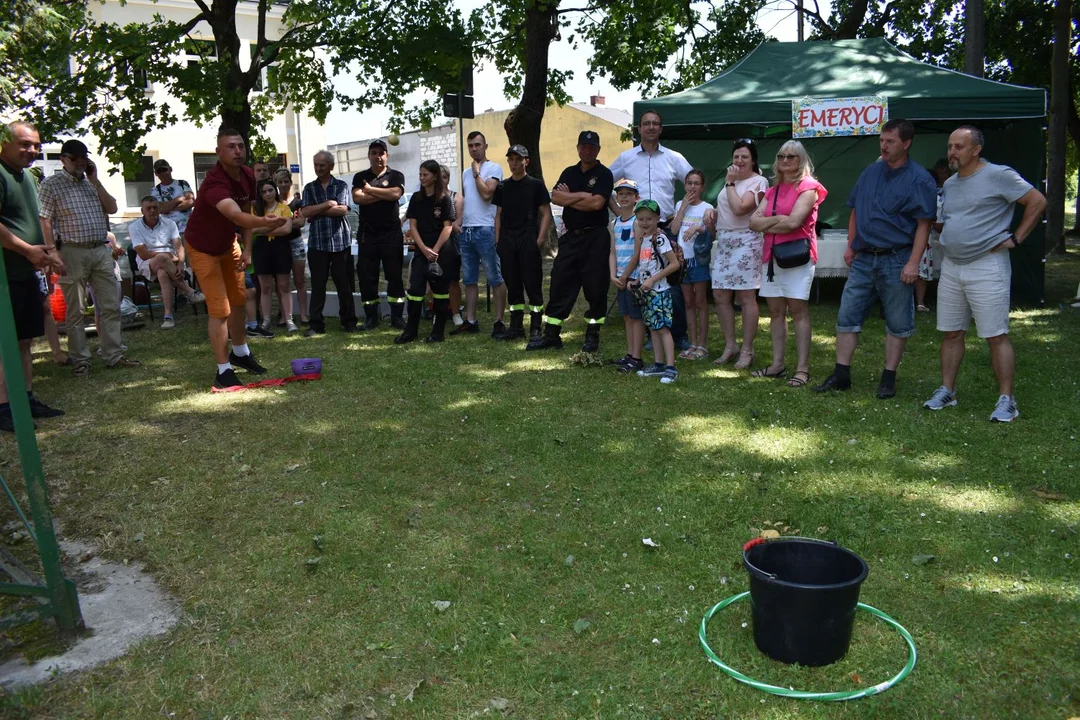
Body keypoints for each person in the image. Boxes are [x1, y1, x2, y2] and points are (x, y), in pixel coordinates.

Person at [922, 125, 1046, 422]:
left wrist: (1016, 238)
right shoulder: (950, 184)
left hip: (987, 265)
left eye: (959, 147)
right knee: (951, 332)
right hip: (952, 266)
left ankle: (1007, 400)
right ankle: (948, 391)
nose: (952, 152)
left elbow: (1037, 201)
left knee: (995, 335)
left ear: (976, 150)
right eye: (950, 146)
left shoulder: (999, 175)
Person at [814, 119, 937, 399]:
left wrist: (913, 263)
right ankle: (841, 375)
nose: (884, 146)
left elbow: (924, 224)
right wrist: (851, 245)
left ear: (906, 143)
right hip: (863, 258)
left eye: (890, 141)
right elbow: (855, 210)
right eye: (882, 140)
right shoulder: (870, 172)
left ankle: (888, 378)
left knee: (897, 321)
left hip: (897, 258)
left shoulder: (919, 179)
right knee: (847, 315)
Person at [183, 127, 285, 389]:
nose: (238, 151)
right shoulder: (214, 183)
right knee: (220, 309)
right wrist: (264, 222)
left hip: (229, 244)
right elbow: (236, 215)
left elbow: (245, 210)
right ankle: (223, 371)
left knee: (239, 300)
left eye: (240, 145)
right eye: (231, 146)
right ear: (218, 152)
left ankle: (240, 353)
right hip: (202, 248)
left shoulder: (248, 174)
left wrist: (247, 249)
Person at [38, 138, 139, 377]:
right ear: (63, 159)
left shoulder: (91, 184)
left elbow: (112, 208)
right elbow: (45, 218)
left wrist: (95, 180)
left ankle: (113, 354)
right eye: (75, 158)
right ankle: (81, 359)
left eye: (84, 158)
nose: (80, 163)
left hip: (100, 250)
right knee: (76, 310)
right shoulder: (51, 184)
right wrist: (52, 251)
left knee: (110, 305)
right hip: (71, 251)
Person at [0, 121, 66, 431]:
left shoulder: (27, 176)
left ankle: (25, 399)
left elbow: (36, 219)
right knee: (5, 341)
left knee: (25, 339)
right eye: (25, 144)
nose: (33, 150)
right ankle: (3, 407)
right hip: (5, 275)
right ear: (5, 143)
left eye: (36, 145)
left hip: (27, 271)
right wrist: (28, 250)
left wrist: (47, 254)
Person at [609, 110, 694, 351]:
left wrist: (683, 211)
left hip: (665, 228)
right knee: (644, 280)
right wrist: (620, 212)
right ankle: (651, 332)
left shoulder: (674, 157)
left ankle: (679, 334)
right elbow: (606, 181)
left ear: (661, 128)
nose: (651, 127)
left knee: (672, 283)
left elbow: (693, 181)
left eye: (655, 123)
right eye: (646, 123)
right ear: (639, 128)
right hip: (639, 229)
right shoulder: (626, 158)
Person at [748, 140, 828, 389]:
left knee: (798, 311)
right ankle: (777, 364)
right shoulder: (773, 190)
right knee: (775, 312)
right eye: (781, 156)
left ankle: (802, 369)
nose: (785, 161)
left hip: (796, 258)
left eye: (791, 157)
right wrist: (781, 219)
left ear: (801, 160)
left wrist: (771, 222)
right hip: (771, 258)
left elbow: (794, 223)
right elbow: (753, 223)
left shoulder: (809, 187)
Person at [527, 130, 614, 352]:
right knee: (560, 282)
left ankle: (592, 334)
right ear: (578, 148)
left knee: (596, 286)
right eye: (584, 146)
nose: (587, 150)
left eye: (592, 147)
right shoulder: (569, 172)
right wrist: (584, 195)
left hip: (595, 237)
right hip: (571, 237)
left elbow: (597, 204)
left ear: (598, 150)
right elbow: (555, 197)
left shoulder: (604, 174)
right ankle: (551, 334)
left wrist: (570, 198)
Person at [709, 139, 769, 370]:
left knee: (745, 297)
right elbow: (726, 207)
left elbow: (740, 208)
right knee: (720, 294)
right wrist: (712, 213)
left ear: (753, 160)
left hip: (747, 240)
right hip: (725, 241)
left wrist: (730, 183)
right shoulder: (731, 182)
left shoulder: (758, 181)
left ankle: (747, 350)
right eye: (736, 156)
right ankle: (730, 345)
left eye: (744, 156)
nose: (739, 160)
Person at [492, 145, 551, 341]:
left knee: (532, 283)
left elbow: (546, 214)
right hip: (507, 238)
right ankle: (516, 327)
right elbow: (498, 215)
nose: (514, 163)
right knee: (513, 283)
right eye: (511, 159)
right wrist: (498, 241)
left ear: (527, 161)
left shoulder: (536, 185)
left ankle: (536, 327)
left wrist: (539, 239)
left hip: (528, 235)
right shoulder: (502, 186)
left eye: (518, 159)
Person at [453, 131, 507, 336]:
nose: (474, 149)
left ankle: (499, 321)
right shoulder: (466, 172)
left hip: (486, 229)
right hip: (467, 231)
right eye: (470, 145)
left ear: (485, 146)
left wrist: (477, 173)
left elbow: (486, 194)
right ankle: (471, 320)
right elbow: (469, 200)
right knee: (469, 279)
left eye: (477, 145)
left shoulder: (494, 168)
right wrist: (459, 221)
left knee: (494, 277)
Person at [397, 159, 456, 344]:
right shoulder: (416, 198)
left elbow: (448, 227)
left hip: (441, 251)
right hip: (421, 250)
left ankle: (437, 333)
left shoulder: (444, 199)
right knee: (415, 289)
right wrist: (423, 249)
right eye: (420, 174)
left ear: (435, 176)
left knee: (440, 292)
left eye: (425, 175)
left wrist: (435, 251)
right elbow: (412, 226)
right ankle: (410, 331)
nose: (422, 178)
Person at [302, 150, 358, 336]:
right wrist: (327, 204)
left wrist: (316, 210)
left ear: (331, 166)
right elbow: (305, 212)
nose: (318, 168)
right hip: (317, 243)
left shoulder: (341, 185)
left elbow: (342, 210)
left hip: (340, 242)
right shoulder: (309, 188)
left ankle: (348, 321)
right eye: (316, 165)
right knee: (318, 285)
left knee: (344, 284)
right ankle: (316, 324)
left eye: (322, 165)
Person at [353, 139, 406, 329]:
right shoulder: (360, 176)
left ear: (387, 155)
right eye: (374, 153)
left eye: (381, 153)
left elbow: (395, 195)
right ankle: (371, 318)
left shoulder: (396, 175)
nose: (378, 156)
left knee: (394, 275)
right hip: (368, 234)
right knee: (367, 277)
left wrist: (370, 191)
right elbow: (358, 198)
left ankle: (397, 317)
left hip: (391, 233)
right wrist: (382, 194)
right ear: (369, 156)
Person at [626, 199, 681, 384]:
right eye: (641, 219)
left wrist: (652, 280)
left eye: (649, 219)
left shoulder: (660, 238)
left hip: (660, 291)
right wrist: (638, 281)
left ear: (658, 219)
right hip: (647, 292)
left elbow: (674, 264)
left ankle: (671, 367)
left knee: (663, 329)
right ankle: (658, 364)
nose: (645, 222)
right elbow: (647, 265)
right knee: (653, 327)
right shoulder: (644, 239)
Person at [129, 195, 205, 329]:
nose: (152, 211)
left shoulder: (169, 223)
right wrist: (168, 256)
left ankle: (168, 316)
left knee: (163, 273)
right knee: (163, 258)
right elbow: (144, 254)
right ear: (142, 211)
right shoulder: (134, 227)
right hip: (147, 263)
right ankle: (190, 291)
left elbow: (179, 246)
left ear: (159, 209)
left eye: (155, 207)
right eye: (148, 208)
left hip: (171, 263)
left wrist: (180, 263)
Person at [669, 169, 713, 360]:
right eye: (689, 183)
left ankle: (702, 345)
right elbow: (674, 230)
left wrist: (699, 227)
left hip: (698, 260)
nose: (692, 187)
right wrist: (682, 208)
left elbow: (712, 233)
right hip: (682, 260)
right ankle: (692, 343)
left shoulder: (707, 207)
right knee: (688, 302)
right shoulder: (680, 204)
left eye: (696, 183)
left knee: (700, 302)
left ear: (702, 187)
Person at [608, 178, 645, 373]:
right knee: (627, 317)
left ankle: (637, 357)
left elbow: (637, 253)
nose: (624, 197)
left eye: (629, 194)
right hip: (620, 278)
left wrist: (626, 276)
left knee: (636, 317)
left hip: (633, 278)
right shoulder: (614, 223)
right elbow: (613, 251)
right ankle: (630, 354)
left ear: (636, 198)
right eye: (621, 194)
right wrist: (613, 275)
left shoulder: (636, 222)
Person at [251, 179, 296, 333]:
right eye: (264, 191)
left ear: (275, 191)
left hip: (281, 248)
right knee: (265, 287)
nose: (268, 194)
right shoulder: (256, 210)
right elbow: (252, 230)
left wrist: (263, 229)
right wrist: (275, 225)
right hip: (261, 249)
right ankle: (266, 320)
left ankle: (289, 319)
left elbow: (286, 230)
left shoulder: (284, 208)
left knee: (284, 285)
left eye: (270, 190)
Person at [916, 159, 950, 312]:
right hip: (923, 237)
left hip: (907, 237)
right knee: (921, 270)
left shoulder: (912, 194)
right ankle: (920, 302)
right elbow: (938, 225)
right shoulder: (936, 198)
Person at [275, 168, 308, 325]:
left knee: (299, 280)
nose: (283, 185)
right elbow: (270, 224)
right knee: (282, 283)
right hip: (279, 244)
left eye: (286, 181)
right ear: (276, 184)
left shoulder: (298, 203)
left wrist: (283, 224)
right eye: (280, 182)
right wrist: (289, 224)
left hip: (296, 242)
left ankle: (303, 315)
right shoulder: (274, 203)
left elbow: (301, 222)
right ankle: (284, 315)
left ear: (290, 182)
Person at [440, 164, 463, 327]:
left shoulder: (456, 197)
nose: (442, 180)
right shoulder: (429, 197)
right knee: (434, 280)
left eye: (445, 177)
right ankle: (437, 312)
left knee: (453, 280)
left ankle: (455, 313)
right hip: (433, 242)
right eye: (439, 177)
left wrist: (452, 226)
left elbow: (459, 218)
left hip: (451, 243)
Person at [150, 159, 195, 233]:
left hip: (189, 230)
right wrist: (178, 200)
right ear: (156, 174)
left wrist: (167, 207)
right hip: (169, 233)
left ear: (170, 169)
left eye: (165, 169)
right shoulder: (155, 190)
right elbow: (160, 209)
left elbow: (191, 202)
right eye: (159, 171)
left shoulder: (182, 183)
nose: (163, 173)